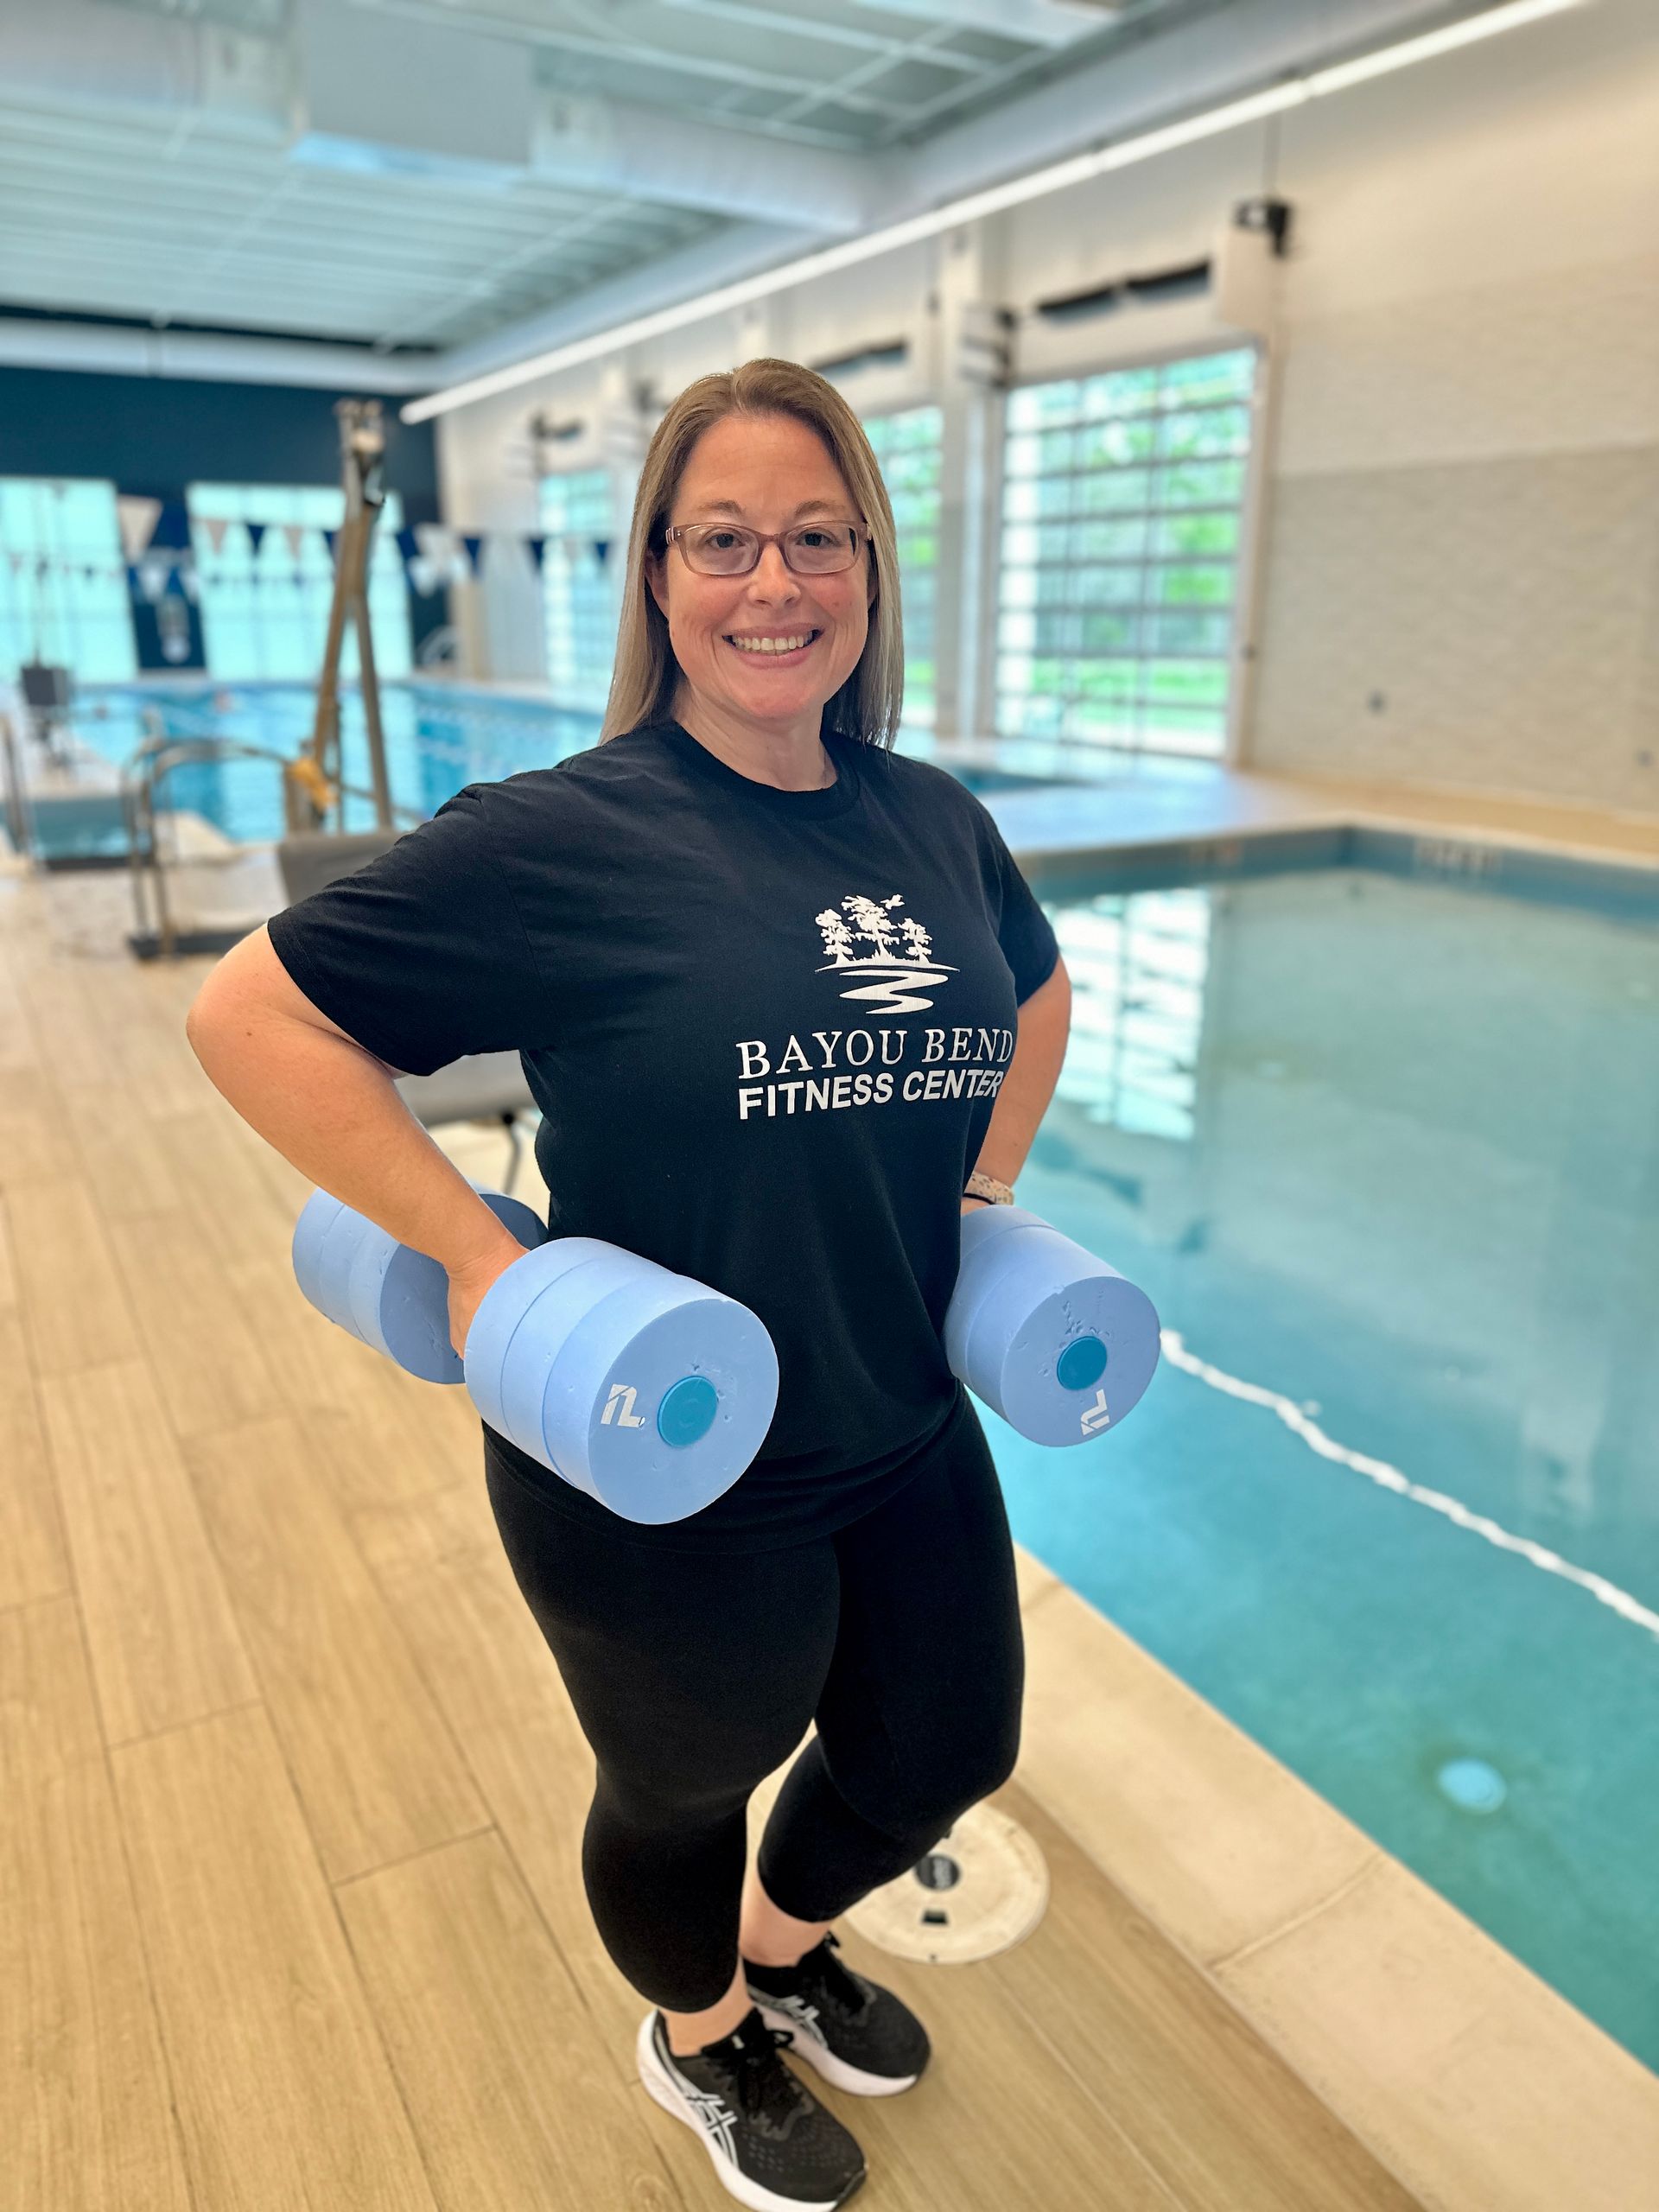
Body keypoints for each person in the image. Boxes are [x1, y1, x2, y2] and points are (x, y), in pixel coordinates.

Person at [186, 356, 1071, 2212]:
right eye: (726, 539)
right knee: (690, 1773)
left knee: (945, 1740)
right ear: (660, 574)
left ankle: (782, 1944)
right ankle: (696, 2036)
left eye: (818, 537)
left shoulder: (931, 819)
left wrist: (983, 1181)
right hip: (664, 1450)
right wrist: (465, 1238)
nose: (777, 582)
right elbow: (251, 1012)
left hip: (901, 1410)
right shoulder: (564, 835)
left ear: (870, 565)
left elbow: (1034, 984)